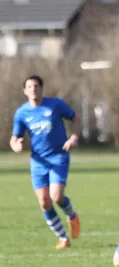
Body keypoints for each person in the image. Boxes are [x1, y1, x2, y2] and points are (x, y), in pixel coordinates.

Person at [10, 75, 81, 249]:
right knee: (44, 202)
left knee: (56, 197)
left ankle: (72, 216)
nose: (33, 89)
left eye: (36, 86)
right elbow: (15, 137)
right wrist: (15, 145)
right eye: (29, 86)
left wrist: (73, 137)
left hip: (58, 157)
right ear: (24, 91)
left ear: (41, 88)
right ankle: (63, 239)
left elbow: (75, 118)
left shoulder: (55, 104)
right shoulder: (22, 113)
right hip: (38, 161)